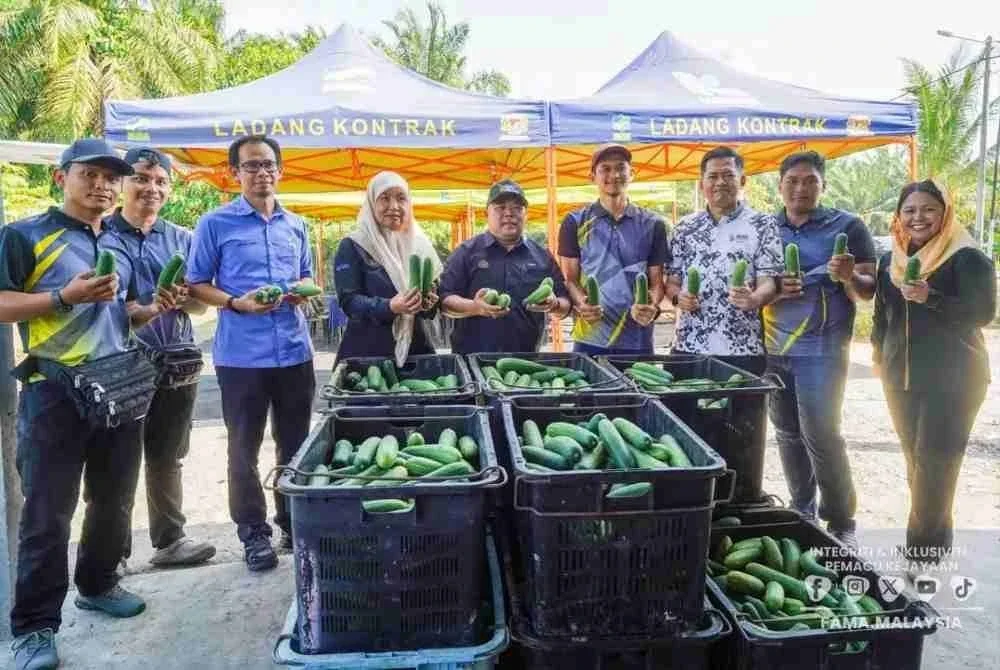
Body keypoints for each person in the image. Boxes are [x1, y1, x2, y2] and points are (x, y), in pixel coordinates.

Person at [0, 138, 168, 670]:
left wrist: (150, 310)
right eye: (89, 174)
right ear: (61, 178)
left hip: (117, 385)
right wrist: (60, 298)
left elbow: (122, 315)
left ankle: (97, 584)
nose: (101, 185)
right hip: (54, 390)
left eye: (109, 178)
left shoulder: (116, 242)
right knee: (48, 514)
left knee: (114, 499)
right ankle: (32, 629)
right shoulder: (24, 235)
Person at [187, 135, 317, 572]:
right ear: (235, 173)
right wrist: (235, 303)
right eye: (251, 166)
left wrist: (301, 294)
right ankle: (253, 534)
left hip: (295, 351)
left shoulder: (296, 225)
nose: (261, 173)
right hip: (242, 356)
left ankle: (293, 522)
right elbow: (197, 284)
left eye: (268, 165)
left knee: (296, 443)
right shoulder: (215, 224)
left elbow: (305, 276)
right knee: (243, 448)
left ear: (280, 171)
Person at [872, 179, 995, 574]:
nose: (917, 217)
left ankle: (920, 555)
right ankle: (937, 540)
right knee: (917, 464)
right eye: (909, 210)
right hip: (900, 378)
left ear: (944, 213)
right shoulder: (891, 257)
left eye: (928, 209)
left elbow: (983, 313)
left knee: (934, 464)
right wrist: (878, 352)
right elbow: (882, 314)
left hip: (954, 380)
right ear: (899, 215)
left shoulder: (966, 256)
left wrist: (933, 298)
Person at [109, 147, 216, 567]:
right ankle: (112, 550)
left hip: (177, 361)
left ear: (168, 190)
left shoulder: (183, 239)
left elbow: (199, 307)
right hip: (120, 364)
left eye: (159, 181)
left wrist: (185, 298)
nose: (150, 188)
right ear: (123, 183)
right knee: (117, 459)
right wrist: (144, 305)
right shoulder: (102, 235)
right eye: (140, 178)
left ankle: (170, 541)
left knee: (168, 455)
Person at [763, 151, 876, 548]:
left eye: (810, 180)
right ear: (780, 186)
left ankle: (841, 518)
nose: (801, 188)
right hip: (774, 347)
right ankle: (801, 508)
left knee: (822, 433)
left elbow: (867, 289)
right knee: (787, 432)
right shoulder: (765, 227)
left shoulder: (847, 226)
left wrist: (849, 276)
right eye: (792, 180)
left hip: (823, 347)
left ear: (822, 185)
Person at [666, 146, 783, 375]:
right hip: (689, 347)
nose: (720, 182)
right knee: (684, 412)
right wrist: (679, 298)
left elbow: (768, 281)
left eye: (728, 175)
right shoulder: (684, 228)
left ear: (742, 180)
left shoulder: (763, 224)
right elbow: (672, 280)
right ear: (702, 184)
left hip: (743, 350)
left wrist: (754, 299)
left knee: (740, 412)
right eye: (713, 176)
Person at [439, 179, 571, 353]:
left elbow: (565, 304)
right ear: (487, 213)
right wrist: (476, 307)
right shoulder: (466, 252)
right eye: (500, 207)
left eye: (517, 208)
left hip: (526, 362)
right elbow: (445, 301)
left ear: (526, 215)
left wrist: (554, 304)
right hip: (471, 359)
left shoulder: (542, 257)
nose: (509, 213)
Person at [558, 144, 667, 354]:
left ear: (631, 173)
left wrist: (649, 305)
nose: (614, 174)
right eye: (605, 169)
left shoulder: (653, 223)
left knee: (637, 388)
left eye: (620, 167)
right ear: (593, 176)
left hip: (637, 336)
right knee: (589, 387)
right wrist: (583, 303)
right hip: (591, 335)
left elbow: (657, 283)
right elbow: (570, 280)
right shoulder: (575, 222)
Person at [333, 171, 440, 364]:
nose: (394, 206)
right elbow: (349, 302)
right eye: (384, 198)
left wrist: (428, 304)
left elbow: (430, 305)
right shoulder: (354, 245)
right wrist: (390, 306)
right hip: (369, 354)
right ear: (372, 204)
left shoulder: (419, 245)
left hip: (416, 351)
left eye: (401, 198)